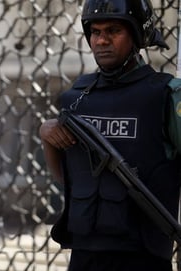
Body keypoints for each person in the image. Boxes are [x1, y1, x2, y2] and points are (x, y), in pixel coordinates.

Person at [39, 0, 181, 270]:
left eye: (113, 31)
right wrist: (46, 134)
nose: (102, 41)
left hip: (143, 256)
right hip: (84, 254)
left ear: (137, 35)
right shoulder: (77, 97)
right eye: (96, 32)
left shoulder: (166, 95)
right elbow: (68, 177)